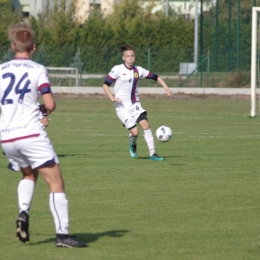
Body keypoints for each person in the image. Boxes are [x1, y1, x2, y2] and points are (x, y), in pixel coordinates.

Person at [0, 21, 87, 248]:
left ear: (12, 45)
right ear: (33, 47)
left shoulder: (1, 69)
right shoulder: (37, 69)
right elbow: (50, 103)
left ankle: (23, 213)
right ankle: (62, 235)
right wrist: (41, 111)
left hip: (7, 137)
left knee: (29, 176)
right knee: (56, 182)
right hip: (30, 134)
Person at [103, 45, 172, 161]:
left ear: (135, 57)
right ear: (123, 58)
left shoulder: (139, 70)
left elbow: (156, 77)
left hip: (135, 104)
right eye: (128, 56)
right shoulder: (118, 69)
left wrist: (166, 88)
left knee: (146, 124)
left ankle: (153, 154)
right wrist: (112, 97)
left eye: (132, 56)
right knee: (135, 133)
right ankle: (132, 143)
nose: (130, 58)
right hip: (122, 107)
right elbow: (105, 85)